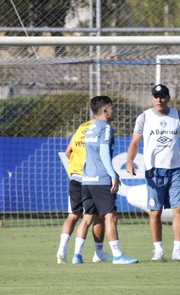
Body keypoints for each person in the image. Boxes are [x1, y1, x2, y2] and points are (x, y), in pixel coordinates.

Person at [126, 84, 180, 261]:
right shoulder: (144, 117)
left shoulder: (178, 116)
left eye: (163, 96)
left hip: (176, 170)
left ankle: (177, 250)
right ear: (152, 98)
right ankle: (158, 250)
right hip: (153, 171)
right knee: (155, 212)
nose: (159, 100)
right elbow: (135, 142)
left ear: (168, 98)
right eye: (156, 96)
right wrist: (129, 161)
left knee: (178, 210)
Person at [72, 95, 138, 265]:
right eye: (112, 107)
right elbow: (103, 153)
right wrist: (113, 175)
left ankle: (77, 255)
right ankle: (117, 255)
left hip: (87, 179)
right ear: (105, 111)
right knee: (111, 217)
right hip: (101, 179)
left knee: (87, 218)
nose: (114, 110)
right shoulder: (106, 128)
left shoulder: (90, 128)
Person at [56, 120, 111, 264]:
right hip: (92, 178)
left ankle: (61, 249)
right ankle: (96, 253)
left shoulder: (81, 128)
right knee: (96, 217)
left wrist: (77, 164)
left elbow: (68, 152)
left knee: (72, 215)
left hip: (75, 177)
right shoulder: (101, 129)